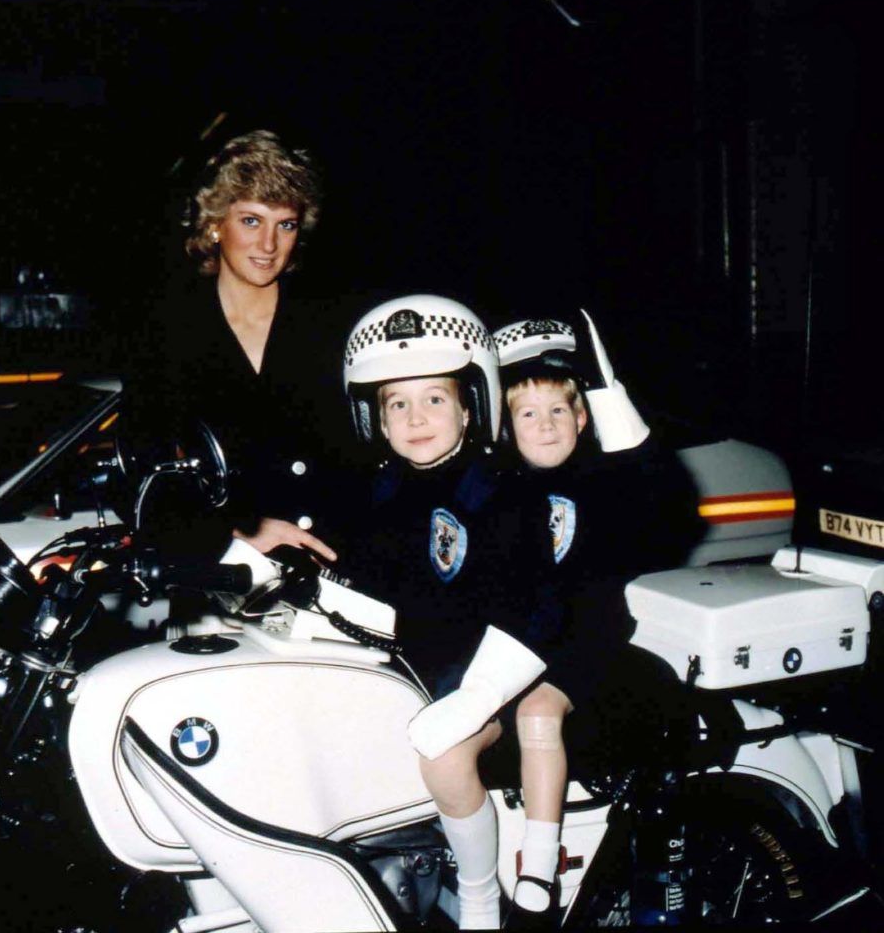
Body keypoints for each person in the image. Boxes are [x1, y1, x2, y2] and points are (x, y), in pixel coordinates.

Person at [341, 294, 550, 930]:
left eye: (434, 398)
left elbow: (532, 605)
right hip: (414, 671)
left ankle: (480, 896)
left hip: (498, 676)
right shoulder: (378, 493)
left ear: (469, 407)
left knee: (446, 757)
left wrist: (477, 694)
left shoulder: (503, 491)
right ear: (375, 419)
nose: (415, 417)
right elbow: (362, 585)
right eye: (396, 403)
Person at [490, 310, 702, 924]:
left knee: (537, 713)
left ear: (582, 418)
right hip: (516, 648)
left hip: (588, 648)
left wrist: (606, 387)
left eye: (560, 410)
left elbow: (661, 490)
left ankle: (539, 864)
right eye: (528, 413)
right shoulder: (495, 488)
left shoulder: (606, 482)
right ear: (504, 424)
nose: (545, 424)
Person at [124, 129, 356, 558]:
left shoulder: (332, 324)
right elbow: (142, 473)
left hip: (334, 558)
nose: (269, 245)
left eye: (285, 225)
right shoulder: (169, 333)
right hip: (227, 570)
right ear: (215, 225)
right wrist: (232, 534)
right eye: (251, 220)